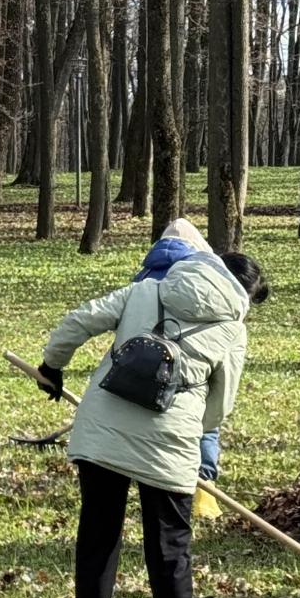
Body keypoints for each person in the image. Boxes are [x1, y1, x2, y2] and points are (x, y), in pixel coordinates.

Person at [36, 248, 269, 598]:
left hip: (102, 431)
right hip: (170, 445)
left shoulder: (148, 289)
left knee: (98, 536)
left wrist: (52, 367)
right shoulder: (233, 329)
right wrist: (186, 426)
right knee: (170, 548)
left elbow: (79, 320)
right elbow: (220, 408)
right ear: (244, 295)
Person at [133, 218, 224, 515]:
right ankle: (203, 493)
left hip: (144, 364)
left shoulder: (143, 275)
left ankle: (153, 477)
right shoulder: (201, 276)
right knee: (205, 426)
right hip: (191, 366)